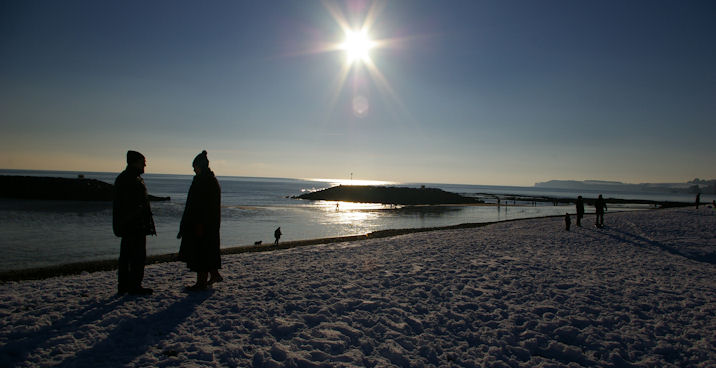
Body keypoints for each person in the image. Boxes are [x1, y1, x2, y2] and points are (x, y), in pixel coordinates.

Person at [178, 150, 222, 291]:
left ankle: (201, 283)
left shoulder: (205, 181)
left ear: (200, 166)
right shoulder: (207, 180)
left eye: (195, 166)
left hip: (202, 224)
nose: (193, 169)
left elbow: (202, 205)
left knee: (201, 252)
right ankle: (214, 274)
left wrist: (199, 224)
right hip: (203, 223)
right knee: (206, 251)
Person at [113, 150, 156, 295]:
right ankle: (132, 285)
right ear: (135, 162)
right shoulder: (129, 179)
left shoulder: (131, 178)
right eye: (143, 162)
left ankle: (126, 285)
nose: (145, 165)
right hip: (133, 225)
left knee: (128, 255)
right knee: (135, 256)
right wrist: (137, 219)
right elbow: (129, 205)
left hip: (132, 225)